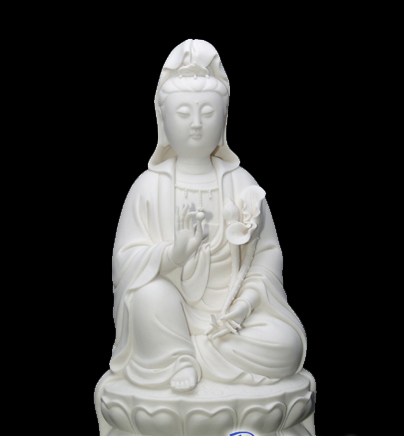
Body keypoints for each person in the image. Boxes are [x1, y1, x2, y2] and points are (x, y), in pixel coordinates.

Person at [107, 40, 306, 392]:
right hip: (171, 315)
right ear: (163, 120)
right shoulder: (148, 187)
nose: (197, 124)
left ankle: (190, 352)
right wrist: (173, 254)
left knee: (287, 345)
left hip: (231, 317)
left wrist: (244, 306)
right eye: (184, 113)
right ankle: (180, 357)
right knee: (149, 296)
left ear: (224, 120)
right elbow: (125, 264)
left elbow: (267, 254)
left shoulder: (241, 183)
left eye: (209, 112)